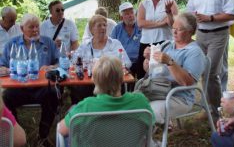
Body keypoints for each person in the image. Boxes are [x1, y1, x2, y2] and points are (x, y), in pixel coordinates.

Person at [186, 0, 234, 118]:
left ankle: (215, 112)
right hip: (200, 34)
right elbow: (190, 11)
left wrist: (210, 18)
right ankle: (208, 107)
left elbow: (232, 13)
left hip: (219, 33)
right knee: (199, 69)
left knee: (210, 71)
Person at [58, 56, 155, 138]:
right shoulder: (140, 101)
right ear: (122, 79)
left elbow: (60, 130)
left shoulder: (86, 107)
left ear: (95, 80)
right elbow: (151, 127)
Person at [0, 14, 59, 146]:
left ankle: (43, 136)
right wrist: (6, 69)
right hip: (19, 88)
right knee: (6, 97)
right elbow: (2, 65)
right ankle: (18, 132)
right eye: (31, 27)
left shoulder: (48, 42)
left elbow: (60, 62)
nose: (35, 30)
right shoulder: (12, 44)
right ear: (22, 29)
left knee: (52, 94)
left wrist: (51, 67)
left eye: (37, 26)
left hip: (42, 88)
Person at [143, 12, 206, 124]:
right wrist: (148, 61)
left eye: (179, 29)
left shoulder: (195, 52)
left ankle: (147, 141)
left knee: (149, 111)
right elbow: (150, 71)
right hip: (157, 91)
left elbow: (187, 82)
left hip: (178, 97)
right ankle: (139, 139)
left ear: (190, 31)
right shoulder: (167, 45)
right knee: (132, 104)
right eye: (173, 28)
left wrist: (170, 62)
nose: (174, 32)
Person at [69, 15, 131, 104]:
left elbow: (127, 63)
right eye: (99, 25)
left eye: (105, 25)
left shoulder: (115, 44)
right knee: (79, 88)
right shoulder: (85, 45)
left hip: (110, 81)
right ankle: (87, 111)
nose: (103, 28)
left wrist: (111, 65)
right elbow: (73, 63)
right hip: (90, 82)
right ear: (91, 29)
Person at [137, 0, 178, 79]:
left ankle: (161, 93)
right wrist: (160, 23)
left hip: (164, 42)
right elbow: (140, 23)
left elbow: (173, 24)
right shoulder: (144, 4)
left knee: (161, 72)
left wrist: (168, 13)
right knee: (143, 73)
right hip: (146, 43)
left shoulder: (170, 2)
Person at [111, 2, 141, 90]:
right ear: (121, 17)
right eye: (127, 14)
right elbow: (111, 45)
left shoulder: (140, 27)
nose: (130, 16)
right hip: (122, 63)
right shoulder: (117, 29)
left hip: (139, 61)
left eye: (132, 13)